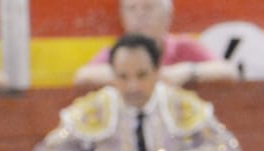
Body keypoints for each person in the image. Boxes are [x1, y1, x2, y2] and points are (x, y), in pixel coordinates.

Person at [32, 33, 242, 151]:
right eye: (123, 76)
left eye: (142, 75)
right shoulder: (94, 109)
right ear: (112, 77)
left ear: (158, 72)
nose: (133, 86)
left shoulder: (181, 105)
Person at [74, 0, 237, 89]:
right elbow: (83, 76)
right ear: (122, 18)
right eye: (132, 8)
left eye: (148, 7)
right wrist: (136, 77)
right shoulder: (119, 52)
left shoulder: (184, 47)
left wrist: (187, 72)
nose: (140, 15)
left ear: (168, 15)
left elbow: (230, 72)